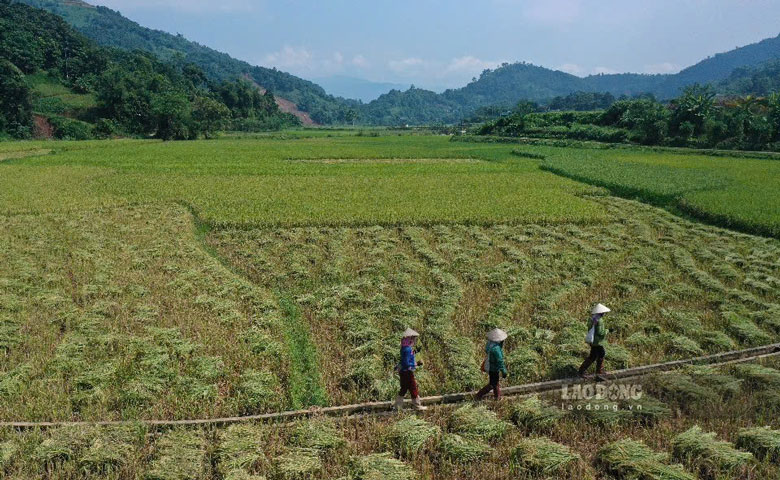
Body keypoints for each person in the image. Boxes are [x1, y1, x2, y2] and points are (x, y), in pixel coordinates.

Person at [395, 328, 427, 411]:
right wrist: (417, 364)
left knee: (404, 388)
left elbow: (407, 357)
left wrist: (415, 352)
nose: (414, 340)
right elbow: (406, 363)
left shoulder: (404, 347)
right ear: (410, 338)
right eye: (413, 338)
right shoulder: (408, 349)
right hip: (407, 372)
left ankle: (398, 406)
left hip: (403, 372)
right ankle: (417, 406)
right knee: (413, 388)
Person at [578, 303, 611, 377]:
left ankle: (583, 371)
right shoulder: (600, 320)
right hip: (598, 342)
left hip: (593, 341)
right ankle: (596, 371)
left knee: (594, 355)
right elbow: (600, 332)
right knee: (599, 354)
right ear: (602, 313)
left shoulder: (592, 319)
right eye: (604, 313)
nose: (604, 314)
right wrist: (607, 330)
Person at [476, 328, 508, 400]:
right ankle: (479, 395)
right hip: (493, 368)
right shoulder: (496, 349)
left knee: (495, 383)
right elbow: (500, 361)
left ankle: (497, 397)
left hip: (489, 365)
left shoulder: (490, 344)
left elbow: (487, 351)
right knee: (492, 384)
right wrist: (503, 371)